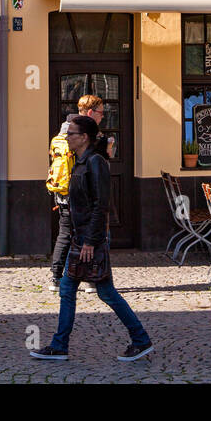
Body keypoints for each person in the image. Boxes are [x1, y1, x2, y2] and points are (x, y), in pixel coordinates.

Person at [30, 115, 154, 362]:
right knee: (69, 288)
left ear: (84, 137)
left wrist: (89, 241)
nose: (67, 137)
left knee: (105, 292)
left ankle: (140, 340)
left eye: (72, 133)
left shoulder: (95, 162)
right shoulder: (81, 160)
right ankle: (60, 345)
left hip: (89, 239)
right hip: (82, 237)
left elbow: (101, 205)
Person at [46, 94, 111, 292]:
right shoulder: (83, 134)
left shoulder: (63, 131)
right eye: (100, 113)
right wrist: (106, 148)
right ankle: (92, 279)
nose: (102, 117)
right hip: (81, 195)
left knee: (65, 234)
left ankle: (57, 278)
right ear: (91, 113)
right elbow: (94, 165)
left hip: (63, 192)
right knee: (89, 235)